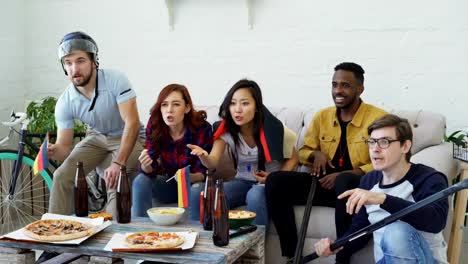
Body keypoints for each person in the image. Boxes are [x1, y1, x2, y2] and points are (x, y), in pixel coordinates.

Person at [265, 62, 387, 263]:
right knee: (275, 181)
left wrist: (349, 173)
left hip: (355, 188)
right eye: (334, 84)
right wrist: (315, 156)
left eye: (345, 85)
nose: (338, 90)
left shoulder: (378, 118)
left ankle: (343, 256)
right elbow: (304, 151)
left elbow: (384, 159)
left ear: (360, 89)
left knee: (344, 181)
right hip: (323, 185)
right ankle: (292, 255)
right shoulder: (322, 117)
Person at [314, 114, 448, 264]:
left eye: (384, 142)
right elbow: (360, 231)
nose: (375, 149)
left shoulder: (428, 178)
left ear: (405, 146)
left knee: (396, 232)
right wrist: (335, 246)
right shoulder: (369, 181)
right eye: (372, 142)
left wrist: (383, 199)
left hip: (425, 260)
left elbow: (437, 221)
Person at [48, 31, 145, 217]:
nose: (74, 68)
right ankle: (53, 239)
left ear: (93, 61)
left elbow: (132, 123)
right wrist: (53, 150)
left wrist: (118, 163)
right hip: (96, 136)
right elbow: (64, 148)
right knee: (61, 176)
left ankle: (110, 233)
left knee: (115, 180)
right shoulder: (65, 102)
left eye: (80, 61)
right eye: (68, 63)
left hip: (128, 135)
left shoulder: (116, 79)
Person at [188, 79, 298, 225]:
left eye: (245, 103)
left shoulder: (274, 128)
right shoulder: (225, 130)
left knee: (255, 195)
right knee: (209, 196)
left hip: (267, 183)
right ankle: (202, 239)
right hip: (241, 181)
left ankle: (256, 246)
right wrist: (203, 156)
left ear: (257, 106)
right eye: (233, 103)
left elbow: (295, 158)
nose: (237, 109)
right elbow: (212, 161)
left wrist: (274, 178)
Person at [131, 84, 213, 220]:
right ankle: (140, 231)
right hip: (169, 183)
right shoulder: (155, 124)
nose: (169, 110)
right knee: (140, 180)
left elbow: (205, 173)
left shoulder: (202, 127)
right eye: (164, 105)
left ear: (187, 108)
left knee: (196, 190)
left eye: (176, 104)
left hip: (194, 183)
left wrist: (184, 177)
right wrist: (146, 166)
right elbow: (152, 166)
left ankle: (197, 234)